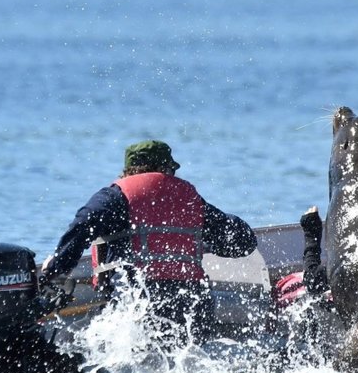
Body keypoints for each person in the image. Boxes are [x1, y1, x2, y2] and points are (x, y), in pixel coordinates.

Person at [41, 140, 257, 342]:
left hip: (137, 305)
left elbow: (82, 225)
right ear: (167, 169)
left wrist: (56, 268)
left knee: (67, 342)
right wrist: (197, 242)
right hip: (193, 307)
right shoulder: (190, 198)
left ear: (128, 170)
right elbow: (242, 241)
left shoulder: (116, 196)